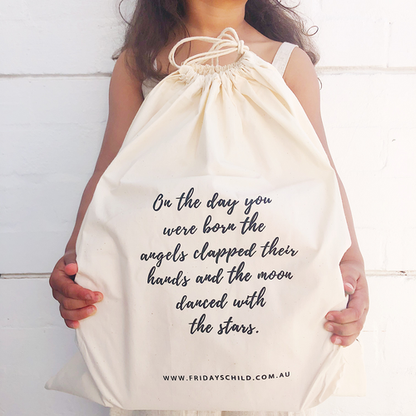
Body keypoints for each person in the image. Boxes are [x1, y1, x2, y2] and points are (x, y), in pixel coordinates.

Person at [49, 1, 369, 415]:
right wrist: (76, 257)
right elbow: (107, 175)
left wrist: (352, 260)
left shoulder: (287, 63)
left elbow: (320, 175)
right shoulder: (140, 63)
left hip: (265, 296)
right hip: (161, 304)